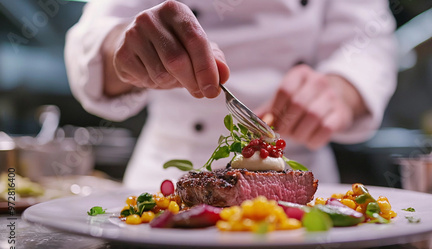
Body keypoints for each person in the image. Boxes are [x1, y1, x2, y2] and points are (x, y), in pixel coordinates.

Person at [65, 0, 397, 189]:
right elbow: (93, 38)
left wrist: (340, 88)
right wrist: (124, 51)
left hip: (302, 182)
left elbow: (369, 38)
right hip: (163, 179)